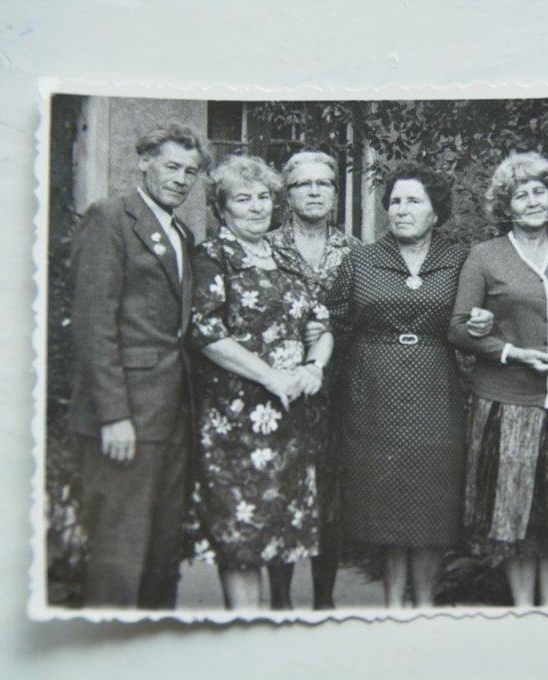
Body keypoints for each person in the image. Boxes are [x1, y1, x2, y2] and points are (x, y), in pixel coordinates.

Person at [69, 123, 209, 609]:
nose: (181, 179)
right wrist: (114, 415)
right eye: (171, 166)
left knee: (162, 552)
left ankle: (154, 640)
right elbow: (93, 323)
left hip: (172, 416)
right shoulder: (110, 218)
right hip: (126, 418)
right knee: (119, 552)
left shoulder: (181, 232)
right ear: (144, 161)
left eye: (190, 171)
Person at [448, 152, 548, 607]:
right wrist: (510, 352)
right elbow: (459, 329)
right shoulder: (485, 256)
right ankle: (524, 609)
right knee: (513, 516)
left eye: (539, 191)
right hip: (507, 404)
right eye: (520, 195)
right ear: (505, 206)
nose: (533, 201)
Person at [189, 153, 333, 610]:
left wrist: (314, 367)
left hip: (291, 424)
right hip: (236, 424)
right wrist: (272, 377)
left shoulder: (284, 256)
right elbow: (206, 334)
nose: (256, 207)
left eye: (263, 197)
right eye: (243, 199)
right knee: (241, 536)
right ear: (221, 208)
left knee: (278, 532)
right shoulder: (212, 257)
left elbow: (321, 325)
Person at [327, 162, 470, 608]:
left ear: (435, 210)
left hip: (436, 393)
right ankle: (391, 607)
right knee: (385, 501)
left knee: (431, 502)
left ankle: (424, 606)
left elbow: (472, 321)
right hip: (373, 394)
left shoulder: (460, 260)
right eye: (394, 201)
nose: (401, 210)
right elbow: (335, 324)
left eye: (413, 201)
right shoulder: (361, 260)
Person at [266, 150, 362, 610]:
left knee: (329, 493)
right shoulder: (265, 246)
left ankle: (324, 601)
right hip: (278, 385)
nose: (314, 191)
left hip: (339, 387)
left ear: (336, 193)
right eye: (304, 184)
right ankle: (280, 602)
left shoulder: (357, 251)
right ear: (287, 195)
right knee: (281, 487)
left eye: (324, 183)